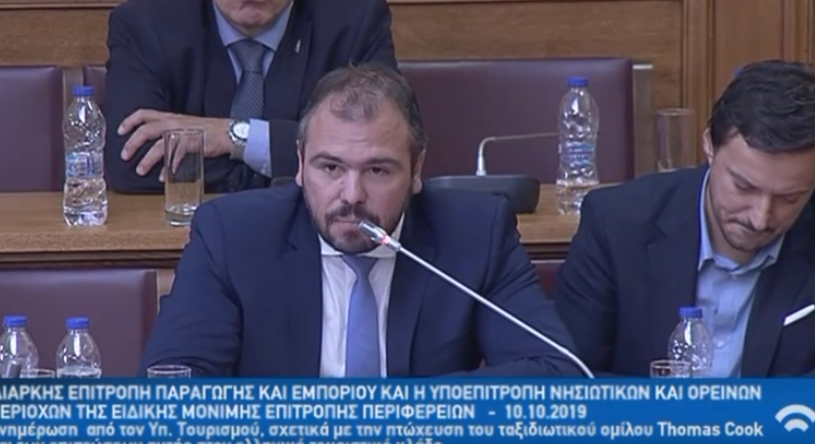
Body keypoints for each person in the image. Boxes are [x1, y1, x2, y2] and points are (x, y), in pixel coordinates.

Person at [138, 63, 582, 377]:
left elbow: (554, 372)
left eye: (378, 170)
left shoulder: (474, 234)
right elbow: (174, 380)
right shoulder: (233, 236)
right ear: (300, 164)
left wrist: (394, 417)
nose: (351, 195)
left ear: (417, 169)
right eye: (331, 168)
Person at [555, 59, 815, 377]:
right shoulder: (616, 223)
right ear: (709, 146)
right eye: (743, 187)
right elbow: (572, 376)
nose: (760, 219)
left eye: (789, 198)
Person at [101, 0, 398, 194]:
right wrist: (281, 160)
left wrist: (234, 137)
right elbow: (130, 164)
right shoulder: (147, 24)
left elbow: (382, 148)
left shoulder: (354, 21)